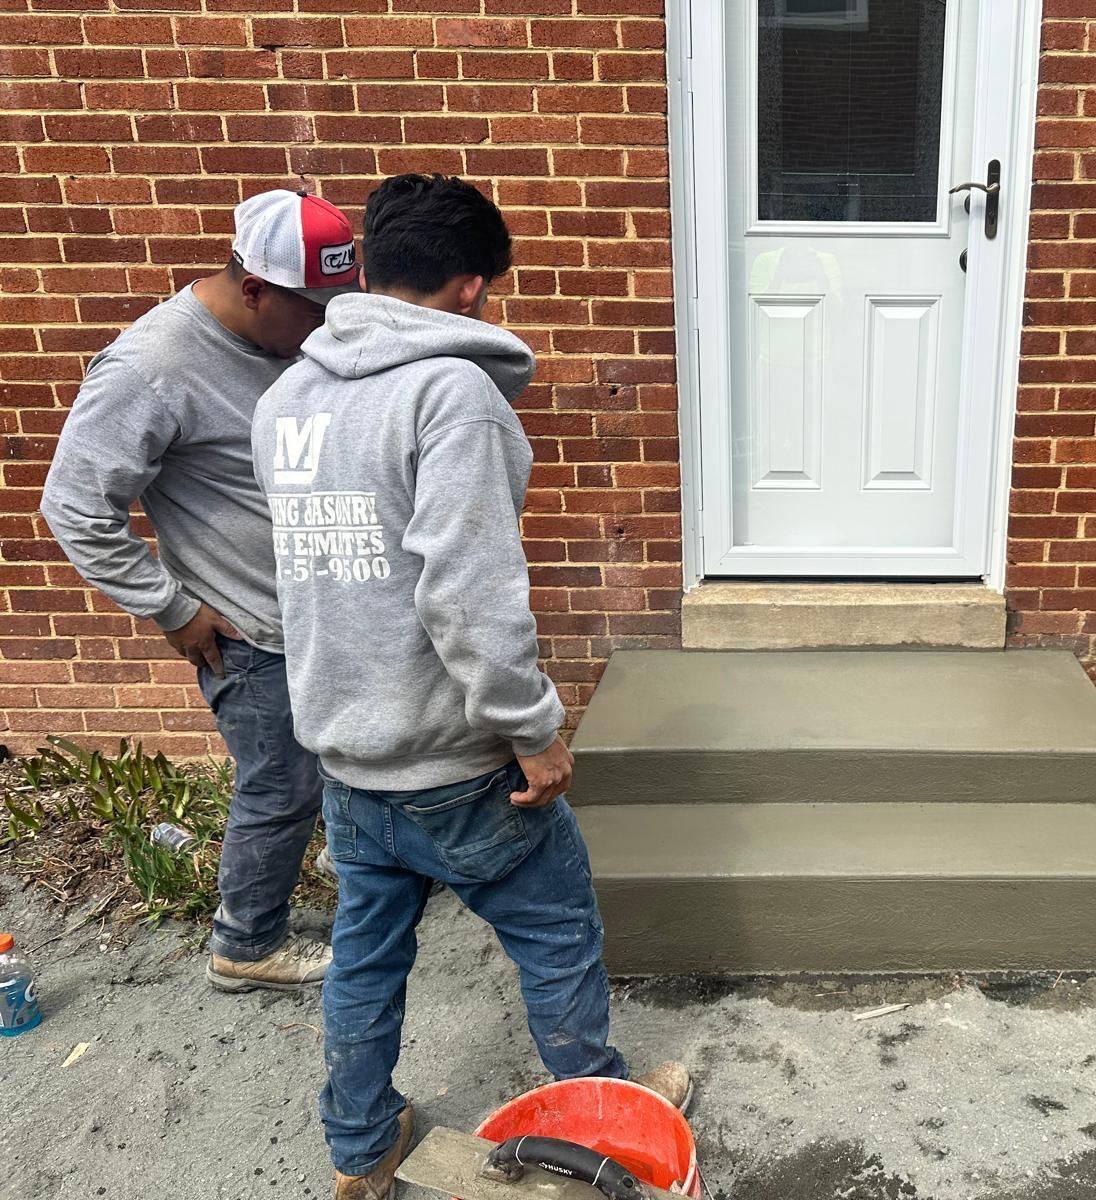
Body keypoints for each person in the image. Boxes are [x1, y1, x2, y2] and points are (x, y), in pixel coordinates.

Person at [251, 173, 689, 1200]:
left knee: (365, 959)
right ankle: (604, 1112)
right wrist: (534, 731)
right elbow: (468, 592)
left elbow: (319, 572)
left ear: (368, 270)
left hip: (349, 754)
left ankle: (360, 1147)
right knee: (556, 929)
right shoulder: (452, 395)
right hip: (457, 760)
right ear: (471, 290)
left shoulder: (287, 400)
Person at [41, 190, 360, 993]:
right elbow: (74, 505)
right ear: (253, 288)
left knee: (339, 757)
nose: (324, 326)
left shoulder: (283, 338)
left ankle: (343, 858)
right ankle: (246, 945)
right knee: (278, 788)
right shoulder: (151, 368)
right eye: (311, 308)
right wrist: (171, 607)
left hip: (320, 611)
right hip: (250, 630)